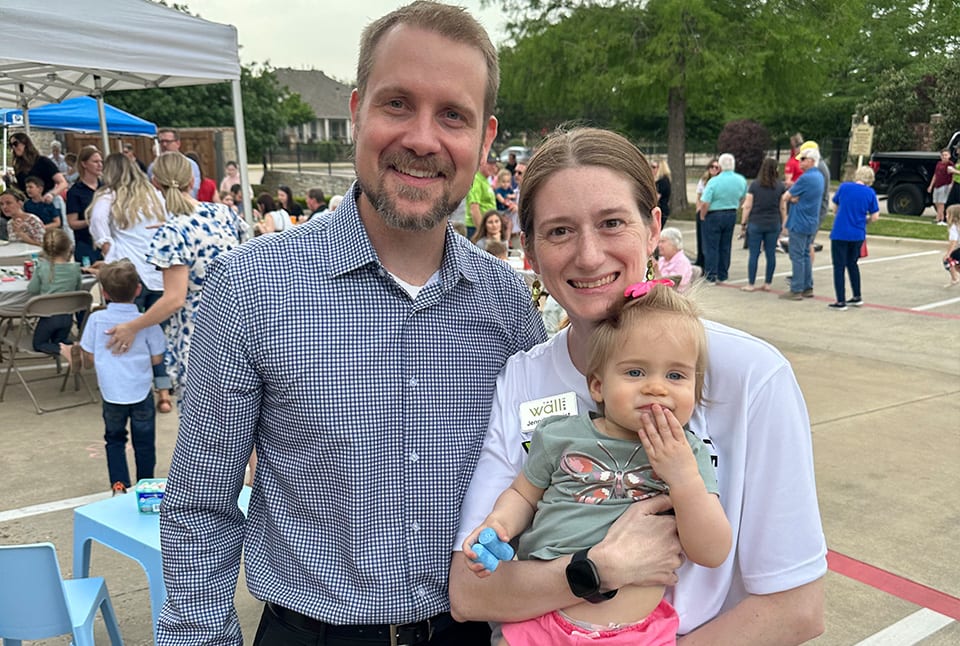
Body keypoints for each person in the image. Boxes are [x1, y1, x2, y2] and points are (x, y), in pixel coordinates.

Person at [155, 3, 546, 645]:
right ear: (358, 109)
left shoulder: (506, 303)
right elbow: (201, 506)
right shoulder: (250, 289)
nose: (423, 138)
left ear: (484, 139)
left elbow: (538, 475)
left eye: (453, 115)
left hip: (468, 630)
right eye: (398, 104)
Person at [450, 127, 826, 645]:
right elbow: (472, 595)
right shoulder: (525, 377)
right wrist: (598, 569)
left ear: (652, 230)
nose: (588, 255)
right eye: (559, 231)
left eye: (612, 223)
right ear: (530, 251)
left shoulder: (751, 375)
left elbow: (796, 608)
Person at [464, 282, 730, 646]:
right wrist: (499, 523)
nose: (656, 388)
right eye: (635, 372)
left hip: (637, 634)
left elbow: (712, 552)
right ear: (598, 386)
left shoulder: (690, 454)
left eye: (675, 375)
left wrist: (683, 479)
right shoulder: (560, 435)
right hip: (538, 620)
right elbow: (523, 495)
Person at [105, 151, 248, 405]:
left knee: (203, 422)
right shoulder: (225, 215)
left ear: (155, 184)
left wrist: (132, 326)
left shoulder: (172, 232)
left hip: (200, 333)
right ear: (192, 181)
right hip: (241, 323)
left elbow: (174, 299)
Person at [69, 259, 166, 494]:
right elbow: (157, 359)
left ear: (104, 292)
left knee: (114, 438)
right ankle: (146, 485)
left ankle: (119, 486)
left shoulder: (96, 320)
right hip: (140, 389)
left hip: (112, 391)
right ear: (138, 289)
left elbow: (89, 356)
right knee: (144, 441)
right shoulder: (147, 323)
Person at [88, 152, 172, 411]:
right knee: (156, 333)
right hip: (158, 273)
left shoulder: (108, 197)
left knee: (125, 331)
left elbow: (98, 227)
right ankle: (164, 391)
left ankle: (131, 387)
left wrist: (108, 250)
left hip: (127, 274)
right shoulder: (154, 195)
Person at [828, 166, 880, 310]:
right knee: (852, 264)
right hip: (857, 233)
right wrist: (865, 220)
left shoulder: (844, 187)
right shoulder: (870, 193)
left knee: (839, 266)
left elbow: (835, 207)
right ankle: (857, 295)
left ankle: (840, 300)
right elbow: (875, 217)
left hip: (841, 231)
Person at [27, 228, 82, 356]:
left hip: (49, 317)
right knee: (61, 341)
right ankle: (72, 349)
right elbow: (78, 290)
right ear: (68, 247)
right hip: (67, 317)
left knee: (39, 344)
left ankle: (66, 351)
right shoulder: (75, 269)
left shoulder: (42, 268)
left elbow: (32, 289)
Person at [779, 147, 824, 300]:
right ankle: (807, 286)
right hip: (811, 220)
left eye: (803, 159)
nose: (800, 161)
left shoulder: (805, 178)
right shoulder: (819, 176)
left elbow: (786, 196)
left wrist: (792, 198)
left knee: (797, 255)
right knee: (805, 253)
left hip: (799, 221)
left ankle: (796, 288)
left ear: (811, 161)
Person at [698, 153, 746, 284]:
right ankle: (723, 273)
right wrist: (736, 205)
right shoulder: (741, 180)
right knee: (725, 245)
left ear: (720, 166)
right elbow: (743, 197)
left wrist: (703, 215)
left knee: (711, 245)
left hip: (714, 214)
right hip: (731, 213)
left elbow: (705, 202)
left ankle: (711, 274)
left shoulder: (714, 181)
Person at [740, 157, 786, 292]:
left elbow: (748, 205)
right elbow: (782, 207)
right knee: (771, 253)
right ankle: (768, 283)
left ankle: (751, 283)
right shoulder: (780, 186)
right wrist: (783, 222)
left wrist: (743, 223)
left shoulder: (754, 185)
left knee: (754, 254)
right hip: (773, 222)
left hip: (756, 222)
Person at [66, 145, 104, 264]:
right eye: (95, 162)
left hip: (106, 241)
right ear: (84, 164)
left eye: (101, 162)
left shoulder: (105, 188)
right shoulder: (75, 192)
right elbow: (72, 223)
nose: (99, 165)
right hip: (86, 244)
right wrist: (93, 220)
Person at [6, 132, 69, 200]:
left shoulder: (43, 161)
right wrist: (10, 182)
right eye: (10, 145)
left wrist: (51, 194)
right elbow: (23, 189)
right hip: (29, 203)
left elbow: (63, 182)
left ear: (25, 144)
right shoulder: (18, 165)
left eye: (15, 144)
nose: (13, 147)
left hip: (47, 201)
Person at [148, 128, 200, 198]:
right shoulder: (153, 166)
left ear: (178, 143)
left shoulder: (190, 164)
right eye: (161, 141)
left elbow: (194, 189)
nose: (164, 145)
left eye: (167, 141)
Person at [693, 159, 719, 269]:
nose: (713, 169)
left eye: (716, 167)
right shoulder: (703, 180)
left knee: (708, 240)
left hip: (712, 212)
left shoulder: (718, 181)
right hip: (701, 210)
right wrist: (698, 208)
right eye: (711, 167)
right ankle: (700, 260)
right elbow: (699, 195)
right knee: (700, 238)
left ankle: (710, 264)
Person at [467, 151, 498, 238]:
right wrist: (482, 233)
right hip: (476, 228)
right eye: (490, 164)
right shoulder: (476, 180)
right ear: (481, 162)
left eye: (494, 164)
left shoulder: (484, 180)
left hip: (487, 226)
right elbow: (474, 209)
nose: (493, 167)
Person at [654, 226, 693, 292]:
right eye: (659, 242)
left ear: (675, 243)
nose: (659, 245)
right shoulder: (662, 260)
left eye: (663, 241)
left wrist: (656, 270)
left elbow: (671, 285)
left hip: (673, 297)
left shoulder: (682, 262)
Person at [927, 149, 952, 225]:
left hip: (944, 185)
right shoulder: (938, 164)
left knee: (941, 202)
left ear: (949, 156)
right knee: (936, 202)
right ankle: (941, 217)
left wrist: (951, 185)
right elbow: (935, 175)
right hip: (937, 185)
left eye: (946, 155)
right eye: (943, 155)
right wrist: (931, 186)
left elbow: (952, 174)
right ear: (941, 156)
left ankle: (939, 218)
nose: (944, 157)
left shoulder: (950, 164)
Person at [943, 204, 960, 287]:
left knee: (947, 260)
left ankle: (955, 278)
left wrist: (948, 253)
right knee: (956, 264)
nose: (946, 216)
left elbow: (953, 241)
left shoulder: (954, 227)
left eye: (947, 214)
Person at [653, 159, 671, 228]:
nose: (652, 169)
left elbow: (656, 197)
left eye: (654, 167)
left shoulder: (663, 181)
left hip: (661, 209)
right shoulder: (658, 180)